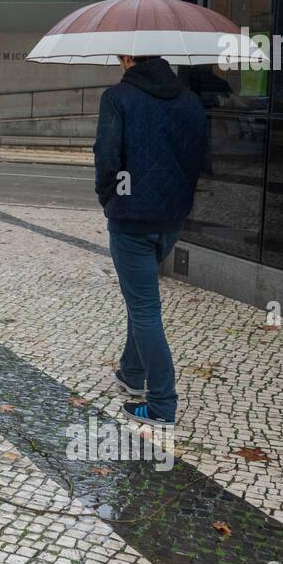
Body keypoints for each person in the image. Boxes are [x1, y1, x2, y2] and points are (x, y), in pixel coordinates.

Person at [94, 54, 206, 429]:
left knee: (144, 308)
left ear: (128, 58)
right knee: (139, 296)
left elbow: (106, 157)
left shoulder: (117, 97)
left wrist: (108, 198)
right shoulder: (189, 99)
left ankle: (161, 403)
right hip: (173, 218)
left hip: (130, 219)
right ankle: (132, 371)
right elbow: (198, 157)